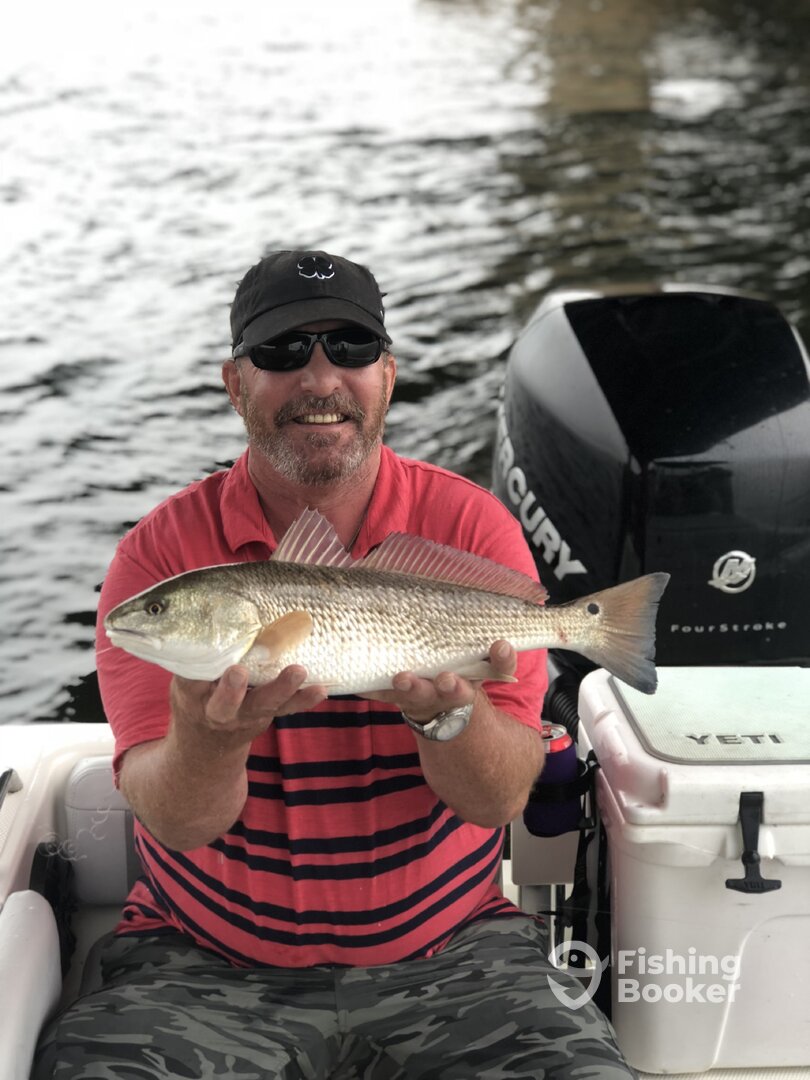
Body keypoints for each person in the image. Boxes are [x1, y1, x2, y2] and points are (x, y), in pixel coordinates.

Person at [34, 249, 636, 1079]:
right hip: (202, 960)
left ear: (387, 374)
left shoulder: (473, 526)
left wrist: (450, 716)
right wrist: (211, 738)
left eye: (350, 348)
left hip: (455, 951)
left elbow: (497, 801)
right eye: (281, 352)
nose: (320, 378)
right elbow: (177, 823)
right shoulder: (159, 558)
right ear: (235, 382)